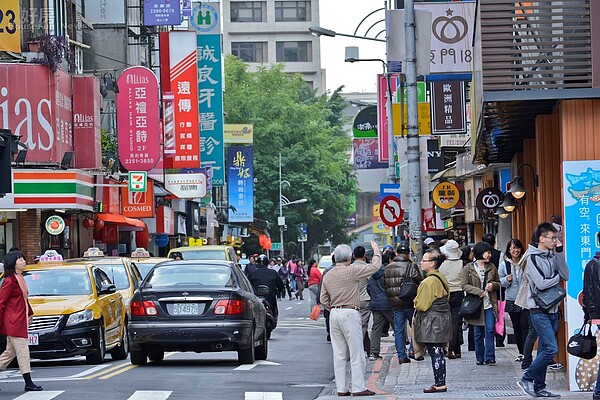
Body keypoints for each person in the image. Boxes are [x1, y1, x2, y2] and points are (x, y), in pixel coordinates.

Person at [320, 241, 381, 397]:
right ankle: (358, 388)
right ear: (349, 258)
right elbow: (374, 267)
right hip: (350, 312)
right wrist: (376, 250)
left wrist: (333, 308)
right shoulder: (352, 270)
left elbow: (323, 300)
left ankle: (342, 388)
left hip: (334, 313)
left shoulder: (328, 274)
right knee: (356, 352)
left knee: (339, 354)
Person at [518, 222, 569, 399]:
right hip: (538, 310)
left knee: (543, 349)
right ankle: (527, 378)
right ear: (542, 238)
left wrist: (560, 254)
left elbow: (566, 275)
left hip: (553, 308)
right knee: (551, 349)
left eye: (556, 238)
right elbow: (541, 283)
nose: (555, 241)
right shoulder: (531, 258)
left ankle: (539, 387)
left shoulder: (552, 256)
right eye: (552, 238)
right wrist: (556, 278)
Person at [0, 250, 43, 392]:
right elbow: (1, 303)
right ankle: (28, 383)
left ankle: (29, 383)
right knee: (23, 351)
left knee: (9, 354)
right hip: (14, 322)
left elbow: (24, 299)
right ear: (13, 263)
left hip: (19, 320)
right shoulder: (9, 281)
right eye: (20, 259)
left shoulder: (20, 278)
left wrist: (30, 312)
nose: (24, 261)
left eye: (23, 259)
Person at [413, 249, 451, 393]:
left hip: (433, 320)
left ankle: (439, 382)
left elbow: (422, 304)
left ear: (432, 264)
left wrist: (415, 302)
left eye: (424, 260)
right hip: (442, 318)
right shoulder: (440, 277)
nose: (421, 263)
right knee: (439, 350)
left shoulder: (428, 281)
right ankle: (440, 381)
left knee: (435, 350)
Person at [461, 241, 500, 366]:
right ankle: (479, 357)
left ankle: (490, 356)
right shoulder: (468, 268)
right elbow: (464, 285)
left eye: (490, 252)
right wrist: (478, 291)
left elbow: (498, 283)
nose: (489, 255)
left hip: (489, 304)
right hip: (476, 305)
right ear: (480, 253)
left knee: (489, 330)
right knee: (477, 333)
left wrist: (492, 285)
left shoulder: (492, 267)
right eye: (487, 252)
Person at [384, 243, 423, 364]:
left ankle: (401, 355)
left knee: (399, 330)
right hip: (409, 301)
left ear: (397, 253)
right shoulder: (412, 266)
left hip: (395, 303)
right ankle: (413, 350)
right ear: (407, 254)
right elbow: (421, 282)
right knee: (415, 326)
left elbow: (385, 285)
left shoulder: (388, 268)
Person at [498, 239, 529, 362]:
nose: (515, 250)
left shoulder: (526, 262)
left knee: (525, 325)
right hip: (512, 298)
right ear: (509, 250)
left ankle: (526, 352)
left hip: (525, 297)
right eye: (512, 248)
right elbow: (499, 281)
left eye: (517, 248)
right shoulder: (504, 264)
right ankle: (521, 352)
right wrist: (506, 279)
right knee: (517, 326)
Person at [367, 247, 395, 360]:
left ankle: (374, 353)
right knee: (397, 327)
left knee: (376, 329)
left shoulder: (372, 274)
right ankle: (402, 350)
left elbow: (369, 289)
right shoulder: (387, 273)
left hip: (375, 304)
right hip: (388, 304)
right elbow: (391, 288)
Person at [439, 239, 464, 359]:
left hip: (445, 294)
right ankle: (455, 349)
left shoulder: (441, 264)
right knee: (456, 322)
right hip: (459, 293)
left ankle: (449, 348)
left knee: (446, 322)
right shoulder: (462, 263)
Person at [482, 233, 505, 347]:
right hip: (497, 290)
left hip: (492, 288)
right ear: (494, 243)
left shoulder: (482, 257)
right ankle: (500, 338)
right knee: (499, 313)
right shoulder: (499, 254)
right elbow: (500, 271)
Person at [582, 251, 600, 400]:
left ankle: (598, 391)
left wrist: (588, 314)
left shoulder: (590, 265)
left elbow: (587, 294)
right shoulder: (593, 265)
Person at [248, 255, 285, 319]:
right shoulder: (273, 273)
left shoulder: (252, 273)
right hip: (263, 298)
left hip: (258, 298)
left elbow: (247, 285)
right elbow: (280, 286)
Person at [352, 246, 372, 356]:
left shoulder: (349, 268)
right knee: (363, 326)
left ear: (354, 256)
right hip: (365, 299)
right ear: (364, 255)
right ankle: (359, 350)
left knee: (355, 326)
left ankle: (366, 348)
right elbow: (372, 283)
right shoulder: (367, 268)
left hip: (352, 301)